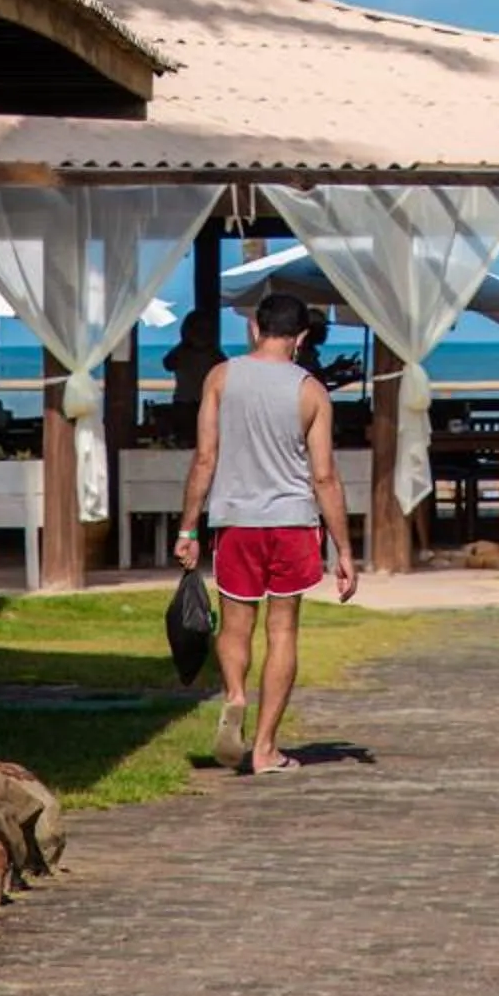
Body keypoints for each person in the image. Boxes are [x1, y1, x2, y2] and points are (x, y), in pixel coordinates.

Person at [174, 287, 357, 777]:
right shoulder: (311, 390)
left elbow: (205, 458)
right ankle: (265, 748)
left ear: (254, 328)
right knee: (283, 629)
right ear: (300, 337)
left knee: (236, 625)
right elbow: (323, 477)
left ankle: (235, 693)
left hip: (236, 521)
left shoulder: (221, 377)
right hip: (292, 522)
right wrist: (345, 549)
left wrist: (189, 527)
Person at [161, 307, 225, 445]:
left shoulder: (182, 352)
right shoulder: (213, 354)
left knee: (186, 442)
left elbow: (167, 364)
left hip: (188, 402)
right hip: (197, 403)